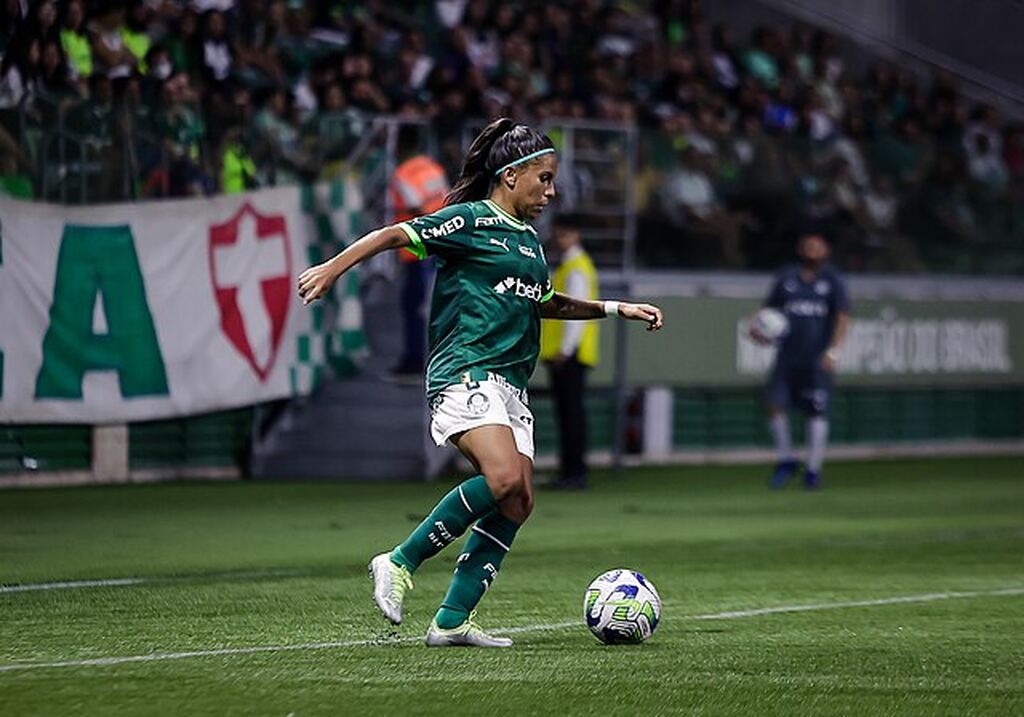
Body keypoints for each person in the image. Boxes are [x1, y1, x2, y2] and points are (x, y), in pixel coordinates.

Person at [297, 117, 663, 647]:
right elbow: (396, 233)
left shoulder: (530, 243)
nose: (551, 190)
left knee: (518, 501)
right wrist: (334, 267)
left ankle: (451, 622)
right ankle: (398, 562)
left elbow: (545, 303)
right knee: (503, 480)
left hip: (511, 383)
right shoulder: (470, 220)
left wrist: (613, 308)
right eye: (544, 178)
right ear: (511, 175)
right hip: (467, 368)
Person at [751, 232, 851, 489]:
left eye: (817, 247)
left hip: (817, 359)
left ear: (826, 251)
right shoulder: (786, 278)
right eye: (808, 247)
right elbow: (767, 311)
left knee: (816, 411)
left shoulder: (832, 281)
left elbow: (842, 317)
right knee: (774, 405)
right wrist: (757, 327)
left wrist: (833, 351)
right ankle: (786, 459)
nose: (812, 251)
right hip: (787, 357)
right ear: (800, 250)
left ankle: (813, 470)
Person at [539, 216, 600, 490]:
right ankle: (570, 471)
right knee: (569, 415)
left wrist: (565, 349)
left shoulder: (576, 268)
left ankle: (574, 473)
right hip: (569, 354)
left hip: (569, 356)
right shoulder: (573, 266)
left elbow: (576, 311)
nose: (558, 239)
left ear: (575, 235)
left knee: (571, 415)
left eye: (563, 234)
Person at [389, 127, 449, 377]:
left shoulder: (402, 174)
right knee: (438, 305)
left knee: (415, 307)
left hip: (417, 251)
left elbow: (415, 207)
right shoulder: (434, 168)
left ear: (400, 145)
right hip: (443, 244)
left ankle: (414, 362)